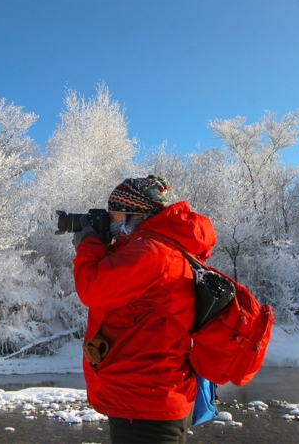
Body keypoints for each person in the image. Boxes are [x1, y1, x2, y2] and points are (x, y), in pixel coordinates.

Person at [72, 175, 217, 444]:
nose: (111, 223)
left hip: (146, 402)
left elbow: (92, 288)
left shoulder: (152, 252)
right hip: (149, 395)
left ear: (134, 214)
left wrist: (88, 243)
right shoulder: (157, 246)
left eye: (113, 215)